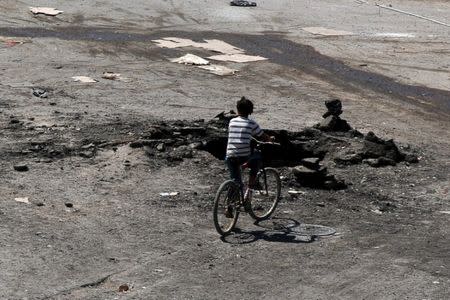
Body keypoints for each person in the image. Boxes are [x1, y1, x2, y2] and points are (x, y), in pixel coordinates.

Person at [225, 97, 275, 206]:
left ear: (237, 110)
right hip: (243, 156)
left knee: (235, 180)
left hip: (230, 155)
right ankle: (249, 190)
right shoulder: (252, 123)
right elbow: (262, 136)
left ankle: (229, 204)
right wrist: (270, 140)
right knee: (257, 158)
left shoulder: (232, 121)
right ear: (250, 111)